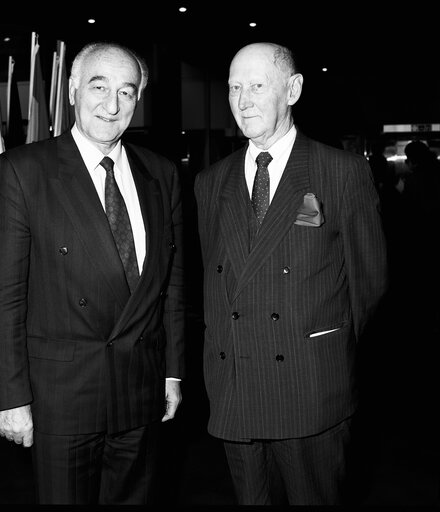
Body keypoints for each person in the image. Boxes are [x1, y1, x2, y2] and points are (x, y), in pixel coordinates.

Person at [0, 41, 185, 505]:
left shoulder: (162, 173)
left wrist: (172, 373)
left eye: (127, 92)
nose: (112, 106)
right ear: (72, 89)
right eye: (99, 86)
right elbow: (1, 298)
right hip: (60, 399)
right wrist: (11, 399)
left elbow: (171, 285)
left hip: (139, 391)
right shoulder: (20, 171)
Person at [194, 42, 388, 505]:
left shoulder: (338, 172)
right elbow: (216, 281)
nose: (243, 101)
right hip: (235, 388)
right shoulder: (210, 181)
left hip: (309, 389)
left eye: (257, 87)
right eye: (234, 88)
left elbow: (369, 283)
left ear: (293, 89)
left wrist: (324, 345)